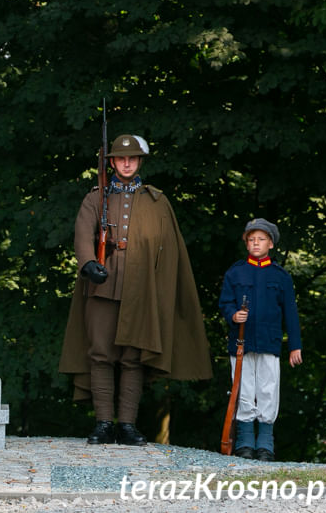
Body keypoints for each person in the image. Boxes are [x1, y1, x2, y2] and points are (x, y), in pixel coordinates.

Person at [59, 134, 212, 445]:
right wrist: (88, 263)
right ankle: (103, 423)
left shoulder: (157, 202)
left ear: (139, 161)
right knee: (101, 354)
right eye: (120, 158)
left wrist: (158, 288)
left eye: (132, 158)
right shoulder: (95, 198)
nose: (126, 163)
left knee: (132, 357)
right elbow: (82, 233)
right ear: (111, 162)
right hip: (102, 286)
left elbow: (169, 251)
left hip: (142, 290)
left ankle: (127, 425)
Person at [218, 218, 301, 461]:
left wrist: (294, 345)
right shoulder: (235, 272)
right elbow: (225, 302)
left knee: (268, 389)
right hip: (240, 343)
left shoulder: (281, 276)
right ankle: (244, 441)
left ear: (271, 244)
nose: (256, 243)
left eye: (261, 239)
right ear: (246, 243)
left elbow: (290, 313)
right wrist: (234, 314)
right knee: (243, 389)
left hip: (269, 341)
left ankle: (265, 443)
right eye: (252, 239)